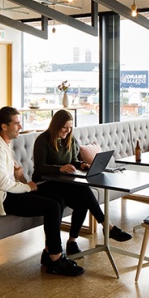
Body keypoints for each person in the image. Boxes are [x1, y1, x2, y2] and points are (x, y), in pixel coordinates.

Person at [0, 106, 84, 277]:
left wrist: (22, 179)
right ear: (4, 126)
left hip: (10, 191)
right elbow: (3, 184)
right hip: (0, 198)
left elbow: (13, 175)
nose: (20, 126)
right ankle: (56, 258)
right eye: (17, 123)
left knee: (59, 200)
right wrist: (28, 187)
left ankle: (49, 252)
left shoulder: (4, 143)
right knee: (52, 207)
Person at [32, 109, 132, 256]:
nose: (67, 131)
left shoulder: (70, 139)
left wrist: (82, 165)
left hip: (63, 183)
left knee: (83, 200)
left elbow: (74, 160)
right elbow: (39, 168)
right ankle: (107, 226)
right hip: (45, 183)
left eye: (70, 127)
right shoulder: (42, 140)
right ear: (56, 125)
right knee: (84, 191)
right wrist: (60, 169)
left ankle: (72, 241)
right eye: (64, 127)